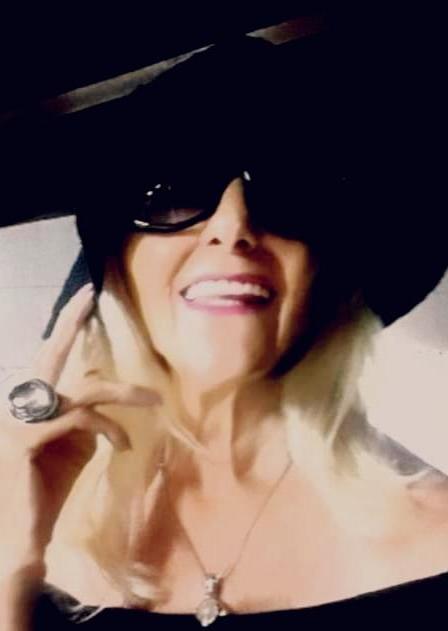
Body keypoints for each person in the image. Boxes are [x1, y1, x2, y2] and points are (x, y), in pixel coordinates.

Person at [1, 33, 447, 630]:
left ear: (328, 272)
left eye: (289, 194)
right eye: (173, 194)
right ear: (117, 266)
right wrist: (12, 571)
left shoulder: (437, 538)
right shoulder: (23, 509)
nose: (232, 227)